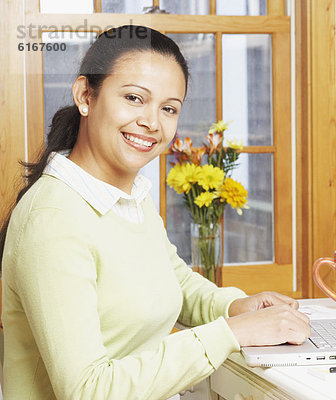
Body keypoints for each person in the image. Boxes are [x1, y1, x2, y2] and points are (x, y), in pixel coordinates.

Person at [0, 25, 310, 400]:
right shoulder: (52, 219)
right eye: (133, 98)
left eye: (168, 108)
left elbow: (173, 279)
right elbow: (87, 389)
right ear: (85, 96)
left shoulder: (130, 196)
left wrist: (235, 306)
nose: (152, 122)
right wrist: (231, 333)